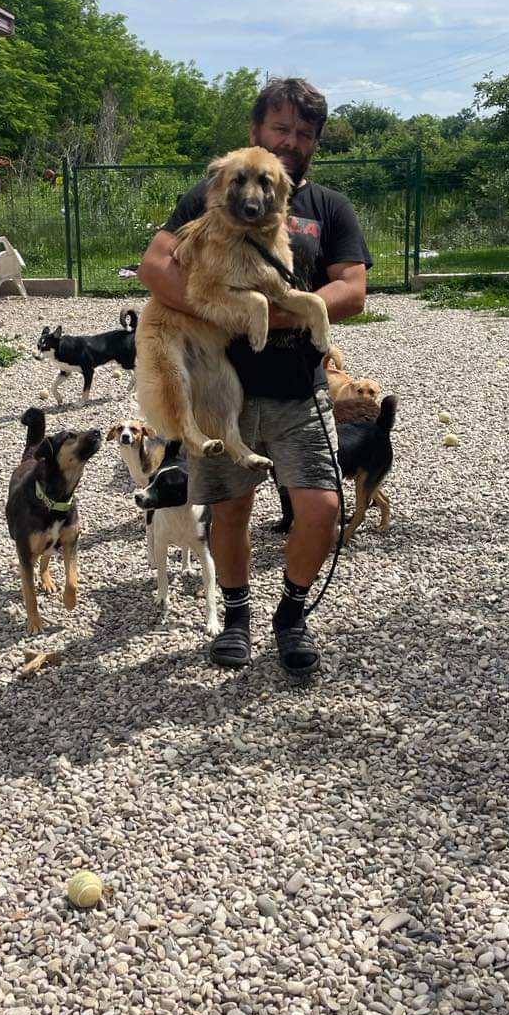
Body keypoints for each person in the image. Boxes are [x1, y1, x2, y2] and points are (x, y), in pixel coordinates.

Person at [137, 76, 372, 676]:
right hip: (223, 387)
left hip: (299, 389)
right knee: (231, 510)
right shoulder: (213, 193)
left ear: (314, 141)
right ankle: (236, 615)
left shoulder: (329, 208)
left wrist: (286, 314)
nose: (291, 140)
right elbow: (155, 266)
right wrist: (223, 311)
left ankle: (290, 614)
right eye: (281, 128)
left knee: (321, 508)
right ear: (257, 130)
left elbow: (352, 290)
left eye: (304, 132)